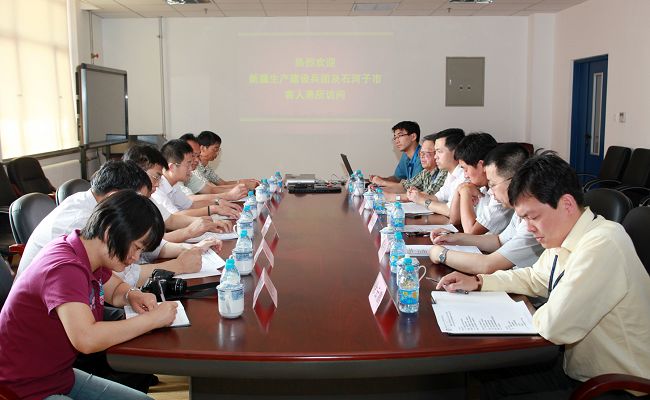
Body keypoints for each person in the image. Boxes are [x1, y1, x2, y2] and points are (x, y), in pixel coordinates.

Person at [437, 152, 650, 399]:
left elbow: (554, 325)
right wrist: (479, 281)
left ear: (567, 204)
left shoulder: (603, 243)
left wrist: (524, 308)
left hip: (617, 386)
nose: (529, 228)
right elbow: (535, 277)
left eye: (533, 217)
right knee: (485, 377)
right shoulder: (565, 235)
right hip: (579, 368)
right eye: (524, 218)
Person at [0, 190, 178, 399]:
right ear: (110, 231)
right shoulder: (65, 268)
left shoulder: (85, 253)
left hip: (58, 376)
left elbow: (114, 290)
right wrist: (153, 319)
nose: (135, 257)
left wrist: (131, 295)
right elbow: (86, 339)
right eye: (136, 247)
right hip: (22, 389)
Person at [16, 160, 219, 287]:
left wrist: (188, 249)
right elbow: (122, 275)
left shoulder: (100, 209)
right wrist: (179, 265)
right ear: (115, 197)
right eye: (138, 201)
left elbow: (139, 247)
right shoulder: (80, 223)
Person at [428, 143, 543, 274]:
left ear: (515, 181)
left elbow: (488, 265)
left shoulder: (533, 219)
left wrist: (441, 254)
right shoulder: (519, 212)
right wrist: (454, 238)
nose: (491, 192)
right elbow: (498, 241)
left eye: (493, 184)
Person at [123, 144, 236, 242]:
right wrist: (191, 230)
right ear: (138, 173)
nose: (157, 184)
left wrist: (206, 222)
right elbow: (149, 244)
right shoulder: (127, 203)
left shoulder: (148, 197)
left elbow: (171, 219)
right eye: (156, 177)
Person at [151, 139, 240, 220]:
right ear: (172, 167)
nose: (191, 169)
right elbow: (175, 217)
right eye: (188, 164)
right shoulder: (156, 189)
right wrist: (213, 209)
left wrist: (217, 202)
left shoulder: (174, 185)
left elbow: (190, 205)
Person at [448, 132, 512, 235]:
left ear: (481, 165)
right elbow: (454, 220)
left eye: (466, 169)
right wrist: (460, 189)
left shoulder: (500, 195)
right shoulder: (481, 187)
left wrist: (465, 192)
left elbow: (470, 233)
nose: (465, 175)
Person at [407, 128, 466, 220]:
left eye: (439, 151)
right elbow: (438, 197)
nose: (435, 157)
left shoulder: (464, 175)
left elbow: (450, 210)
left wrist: (421, 200)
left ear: (456, 152)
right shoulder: (451, 173)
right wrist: (417, 195)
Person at [372, 133, 447, 202]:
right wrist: (379, 190)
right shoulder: (425, 172)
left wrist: (394, 197)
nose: (421, 156)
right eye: (421, 153)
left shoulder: (444, 171)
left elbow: (428, 195)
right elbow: (404, 187)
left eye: (426, 153)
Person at [178, 133, 249, 202]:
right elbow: (190, 199)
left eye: (197, 155)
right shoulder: (190, 172)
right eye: (193, 155)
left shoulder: (190, 173)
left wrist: (241, 187)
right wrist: (228, 195)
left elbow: (211, 189)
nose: (197, 160)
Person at [191, 131, 258, 190]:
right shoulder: (194, 168)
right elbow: (212, 189)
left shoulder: (206, 168)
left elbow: (223, 184)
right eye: (215, 149)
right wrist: (245, 185)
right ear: (203, 148)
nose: (217, 153)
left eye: (218, 150)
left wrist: (242, 181)